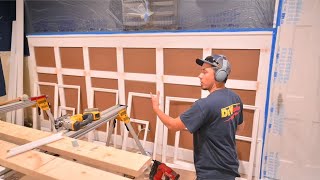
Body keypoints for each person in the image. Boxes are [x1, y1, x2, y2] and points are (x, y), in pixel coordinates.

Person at [150, 54, 243, 180]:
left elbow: (173, 125)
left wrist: (156, 108)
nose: (199, 76)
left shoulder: (204, 105)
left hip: (211, 172)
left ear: (219, 75)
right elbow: (240, 126)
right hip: (229, 167)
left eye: (204, 72)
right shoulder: (235, 98)